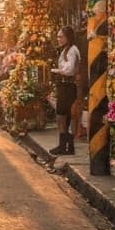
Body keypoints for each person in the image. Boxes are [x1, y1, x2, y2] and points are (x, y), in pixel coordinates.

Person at [51, 27, 82, 155]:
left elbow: (69, 70)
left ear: (68, 37)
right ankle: (65, 145)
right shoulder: (66, 50)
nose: (58, 39)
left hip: (68, 86)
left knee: (62, 115)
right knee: (63, 116)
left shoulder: (72, 50)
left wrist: (57, 71)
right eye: (58, 36)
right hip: (64, 86)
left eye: (61, 37)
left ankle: (66, 146)